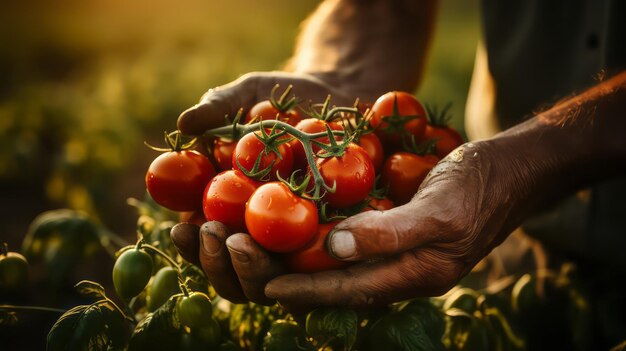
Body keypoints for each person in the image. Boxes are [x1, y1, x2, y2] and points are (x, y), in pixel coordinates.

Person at [171, 0, 626, 311]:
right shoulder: (333, 157)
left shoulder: (315, 172)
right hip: (518, 247)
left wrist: (524, 163)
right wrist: (340, 71)